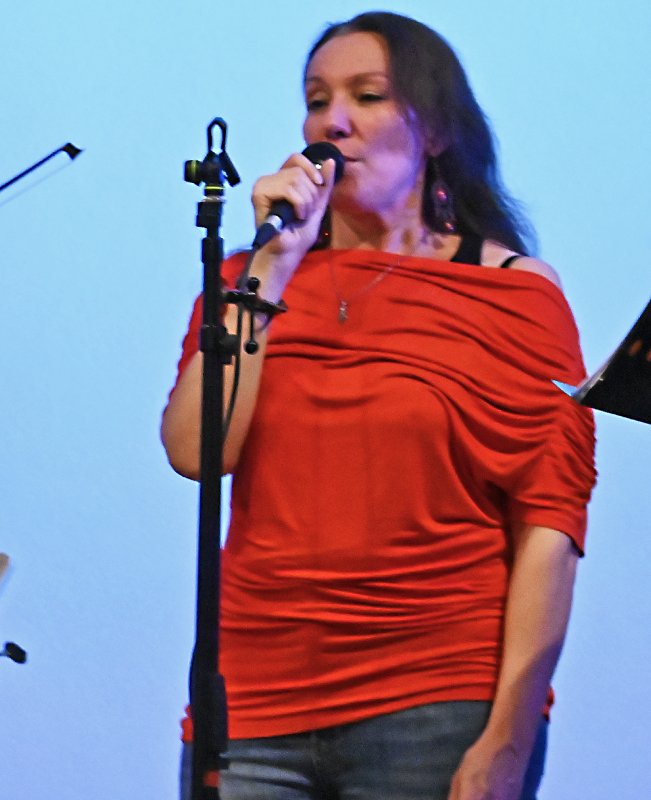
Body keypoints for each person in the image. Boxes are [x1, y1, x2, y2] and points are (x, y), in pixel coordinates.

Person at [159, 12, 594, 800]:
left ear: (433, 129)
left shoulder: (514, 293)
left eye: (368, 96)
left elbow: (550, 528)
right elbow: (197, 450)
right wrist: (272, 268)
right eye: (316, 99)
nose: (333, 121)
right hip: (252, 704)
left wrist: (508, 737)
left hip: (435, 705)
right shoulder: (251, 279)